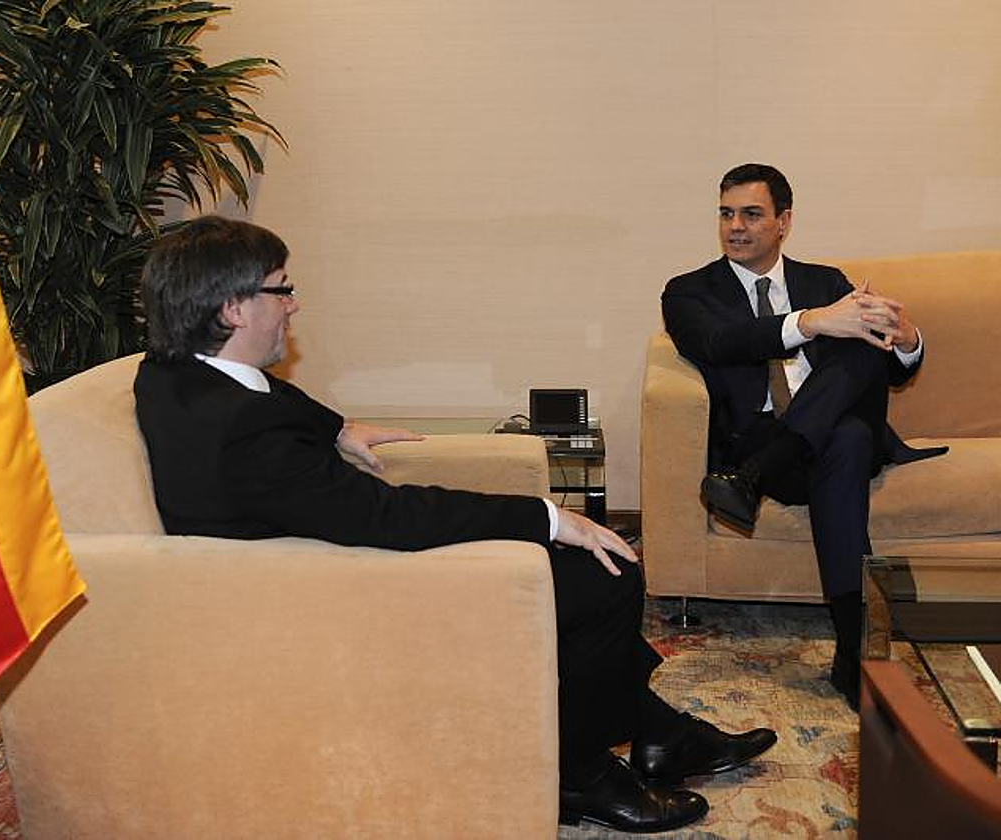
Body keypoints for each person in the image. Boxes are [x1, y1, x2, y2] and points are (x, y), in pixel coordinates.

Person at [134, 215, 777, 833]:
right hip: (322, 597)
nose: (294, 304)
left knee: (582, 573)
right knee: (603, 574)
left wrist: (335, 427)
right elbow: (387, 515)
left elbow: (268, 397)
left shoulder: (172, 374)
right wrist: (547, 517)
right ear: (233, 309)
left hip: (310, 556)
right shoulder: (244, 434)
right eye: (282, 288)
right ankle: (580, 773)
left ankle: (658, 734)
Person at [661, 163, 946, 710]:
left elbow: (896, 368)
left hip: (785, 454)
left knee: (857, 382)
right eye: (726, 213)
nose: (735, 227)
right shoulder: (688, 292)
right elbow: (720, 343)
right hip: (761, 436)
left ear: (784, 221)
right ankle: (856, 652)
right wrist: (812, 322)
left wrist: (907, 337)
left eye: (751, 213)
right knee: (849, 435)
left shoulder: (826, 281)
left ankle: (750, 482)